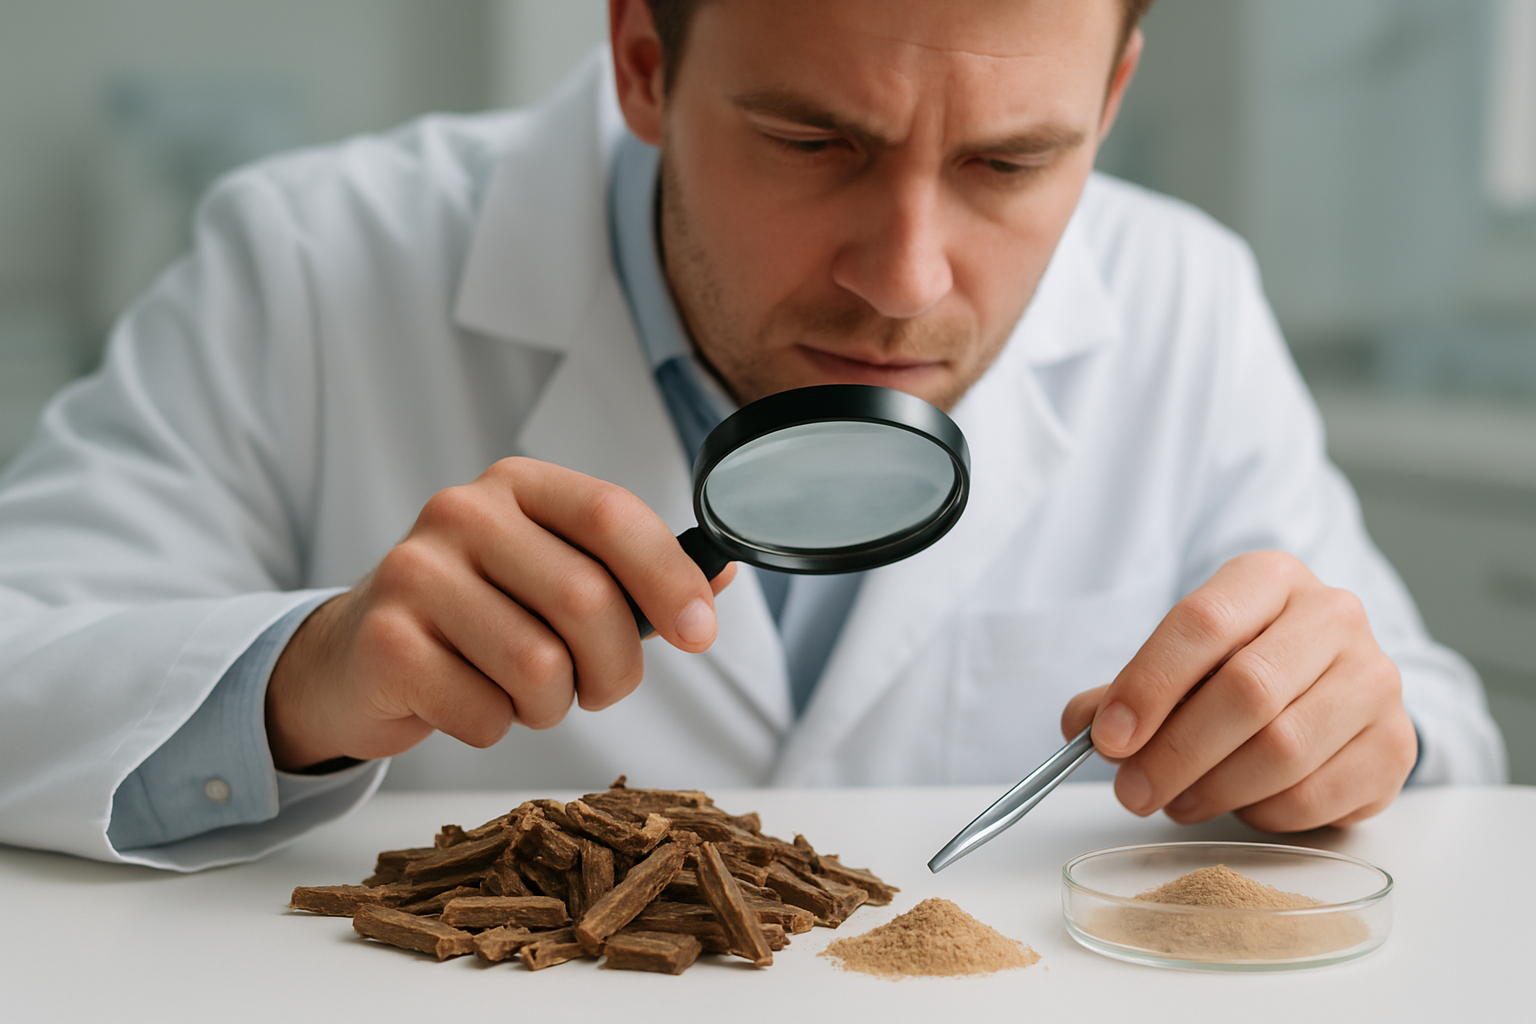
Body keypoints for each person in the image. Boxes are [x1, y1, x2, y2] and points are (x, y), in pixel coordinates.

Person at [0, 0, 1505, 871]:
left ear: (1109, 99)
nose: (907, 280)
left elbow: (1438, 731)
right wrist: (299, 678)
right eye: (813, 142)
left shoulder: (1182, 298)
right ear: (643, 60)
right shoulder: (315, 263)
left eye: (1011, 161)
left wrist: (1355, 729)